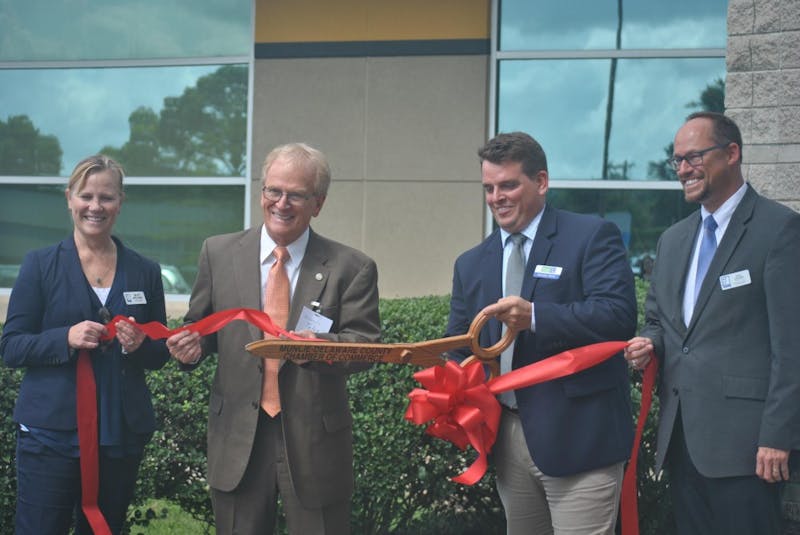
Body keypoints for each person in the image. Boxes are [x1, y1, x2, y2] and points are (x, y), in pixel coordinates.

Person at [166, 142, 380, 535]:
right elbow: (202, 330)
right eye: (273, 191)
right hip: (238, 437)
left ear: (318, 203)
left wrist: (321, 350)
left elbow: (366, 347)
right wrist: (190, 348)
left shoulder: (352, 267)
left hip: (315, 440)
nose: (282, 203)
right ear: (261, 191)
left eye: (296, 194)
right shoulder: (218, 252)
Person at [445, 132, 637, 534]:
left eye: (509, 185)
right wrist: (446, 387)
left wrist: (535, 317)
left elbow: (618, 316)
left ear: (542, 182)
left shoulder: (590, 235)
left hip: (581, 436)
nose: (497, 197)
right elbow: (460, 345)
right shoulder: (471, 263)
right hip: (508, 437)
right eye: (489, 188)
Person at [625, 112, 800, 534]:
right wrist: (648, 344)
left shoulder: (779, 230)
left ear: (732, 153)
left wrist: (777, 436)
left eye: (694, 157)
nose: (683, 169)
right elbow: (661, 324)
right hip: (683, 442)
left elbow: (792, 346)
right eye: (677, 161)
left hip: (749, 451)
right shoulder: (673, 240)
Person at [0, 155, 170, 534]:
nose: (96, 206)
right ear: (69, 199)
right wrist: (65, 337)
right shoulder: (39, 264)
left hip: (119, 433)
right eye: (86, 196)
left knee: (105, 529)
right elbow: (11, 346)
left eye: (106, 197)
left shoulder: (145, 270)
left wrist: (139, 343)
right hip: (51, 434)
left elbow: (159, 355)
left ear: (121, 202)